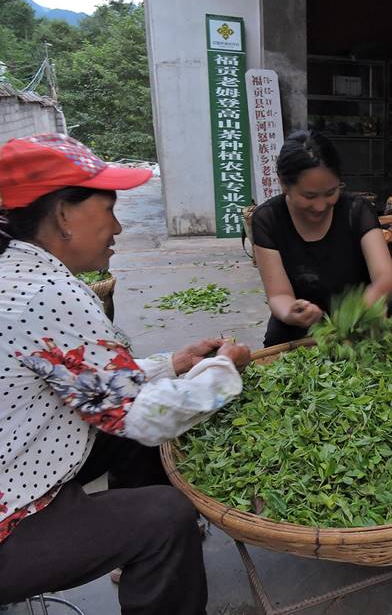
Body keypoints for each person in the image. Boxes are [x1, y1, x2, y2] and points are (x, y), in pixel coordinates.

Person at [0, 134, 251, 614]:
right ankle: (145, 547)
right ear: (62, 215)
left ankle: (121, 547)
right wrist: (223, 369)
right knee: (167, 518)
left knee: (129, 438)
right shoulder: (50, 294)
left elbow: (88, 382)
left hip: (22, 461)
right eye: (109, 209)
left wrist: (174, 363)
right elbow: (146, 418)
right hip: (11, 517)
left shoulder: (16, 271)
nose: (118, 227)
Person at [252, 130, 392, 347]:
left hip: (369, 321)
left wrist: (361, 311)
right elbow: (279, 295)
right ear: (284, 183)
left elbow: (386, 277)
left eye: (331, 192)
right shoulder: (268, 219)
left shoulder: (357, 212)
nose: (320, 206)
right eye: (309, 196)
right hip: (301, 327)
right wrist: (292, 312)